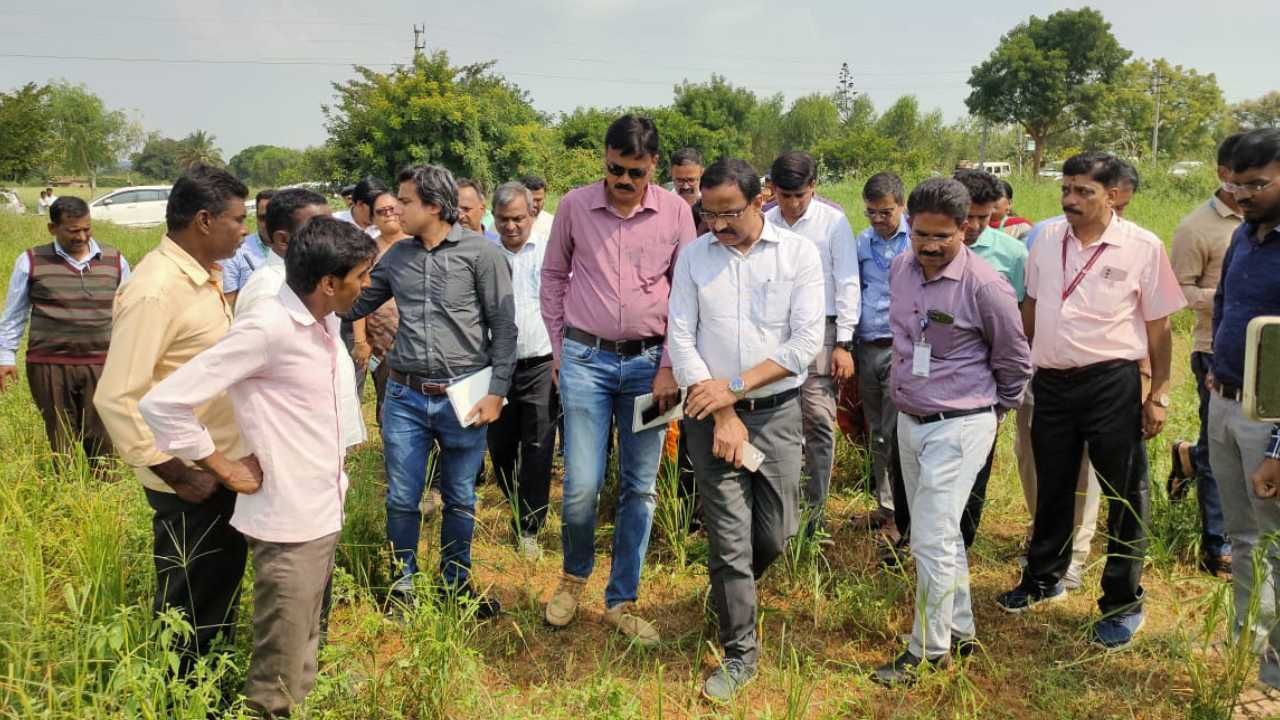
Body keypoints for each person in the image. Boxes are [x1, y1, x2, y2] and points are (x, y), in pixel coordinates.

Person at [140, 216, 375, 717]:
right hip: (288, 524)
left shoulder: (323, 321)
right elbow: (164, 403)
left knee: (303, 656)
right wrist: (220, 465)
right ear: (329, 283)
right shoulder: (267, 328)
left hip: (321, 511)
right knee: (277, 677)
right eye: (362, 275)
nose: (368, 285)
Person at [997, 152, 1185, 651]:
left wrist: (1159, 392)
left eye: (1085, 191)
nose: (1072, 200)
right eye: (1067, 190)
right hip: (1052, 381)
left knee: (1124, 495)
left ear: (1114, 194)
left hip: (1112, 382)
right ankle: (1043, 579)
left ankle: (1122, 603)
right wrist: (1019, 372)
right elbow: (1031, 307)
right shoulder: (1045, 240)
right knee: (1053, 484)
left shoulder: (1142, 246)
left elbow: (1159, 326)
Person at [667, 158, 823, 702]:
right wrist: (724, 411)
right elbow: (681, 338)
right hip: (710, 417)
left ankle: (730, 592)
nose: (718, 225)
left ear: (761, 202)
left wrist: (734, 389)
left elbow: (804, 344)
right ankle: (739, 652)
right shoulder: (694, 258)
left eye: (729, 212)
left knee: (775, 534)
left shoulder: (799, 255)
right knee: (730, 540)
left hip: (776, 414)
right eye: (708, 214)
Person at [540, 114, 697, 644]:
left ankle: (621, 598)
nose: (624, 181)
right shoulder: (573, 207)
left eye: (635, 172)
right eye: (615, 169)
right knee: (581, 484)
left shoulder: (677, 213)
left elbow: (688, 294)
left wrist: (673, 366)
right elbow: (554, 276)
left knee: (641, 487)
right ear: (603, 158)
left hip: (655, 369)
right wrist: (561, 350)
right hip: (586, 361)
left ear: (654, 165)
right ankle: (572, 577)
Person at [872, 177, 1031, 686]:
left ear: (965, 229)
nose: (931, 246)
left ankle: (926, 648)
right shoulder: (901, 268)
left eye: (944, 236)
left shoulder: (985, 285)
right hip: (911, 419)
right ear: (909, 228)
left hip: (960, 424)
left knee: (930, 538)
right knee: (938, 534)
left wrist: (989, 415)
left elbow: (1015, 361)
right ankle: (959, 629)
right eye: (922, 235)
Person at [93, 164, 251, 674]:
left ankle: (211, 686)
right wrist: (177, 473)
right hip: (189, 477)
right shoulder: (155, 289)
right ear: (204, 221)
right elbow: (116, 396)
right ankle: (186, 693)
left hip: (217, 464)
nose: (244, 229)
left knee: (216, 592)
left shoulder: (203, 278)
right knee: (191, 603)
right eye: (237, 219)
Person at [346, 164, 516, 617]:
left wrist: (497, 391)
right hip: (404, 396)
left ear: (435, 207)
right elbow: (358, 302)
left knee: (460, 496)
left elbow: (503, 327)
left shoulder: (482, 255)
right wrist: (318, 284)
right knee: (403, 495)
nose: (396, 209)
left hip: (464, 397)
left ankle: (455, 584)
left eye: (404, 202)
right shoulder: (396, 258)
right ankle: (404, 585)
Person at [1208, 127, 1280, 699]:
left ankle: (1273, 678)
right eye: (1235, 184)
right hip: (1226, 402)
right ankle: (1245, 644)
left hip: (1272, 423)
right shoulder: (1245, 237)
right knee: (1244, 537)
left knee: (1276, 544)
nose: (1242, 194)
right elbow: (1226, 304)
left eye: (1256, 183)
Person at [764, 151, 859, 536]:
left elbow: (848, 280)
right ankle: (780, 513)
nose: (792, 203)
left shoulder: (833, 223)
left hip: (822, 330)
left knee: (818, 420)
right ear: (772, 190)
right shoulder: (766, 222)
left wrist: (845, 342)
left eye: (800, 195)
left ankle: (815, 514)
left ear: (813, 188)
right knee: (778, 420)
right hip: (776, 330)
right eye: (784, 195)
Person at [0, 196, 130, 472]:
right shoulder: (30, 261)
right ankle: (67, 490)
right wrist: (5, 356)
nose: (82, 236)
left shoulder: (116, 260)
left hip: (102, 364)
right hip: (49, 365)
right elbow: (14, 315)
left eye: (86, 229)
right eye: (73, 231)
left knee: (104, 441)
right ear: (52, 228)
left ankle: (104, 501)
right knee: (61, 439)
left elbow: (130, 314)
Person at [1168, 133, 1245, 577]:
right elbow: (1180, 288)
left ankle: (1186, 456)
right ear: (1225, 174)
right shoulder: (1197, 227)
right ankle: (1218, 544)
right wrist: (1230, 297)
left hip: (1268, 351)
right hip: (1215, 349)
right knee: (1221, 449)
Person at [484, 182, 558, 561]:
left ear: (532, 214)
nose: (511, 226)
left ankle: (529, 525)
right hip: (496, 368)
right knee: (500, 444)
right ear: (492, 218)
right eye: (503, 219)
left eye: (518, 218)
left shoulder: (549, 250)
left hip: (541, 362)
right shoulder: (484, 253)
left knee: (539, 445)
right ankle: (515, 502)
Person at [854, 173, 911, 538]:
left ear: (901, 207)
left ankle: (899, 513)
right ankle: (885, 505)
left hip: (899, 347)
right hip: (866, 345)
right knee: (876, 431)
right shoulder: (861, 242)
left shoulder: (915, 241)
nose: (878, 219)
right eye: (871, 212)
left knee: (895, 431)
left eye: (885, 212)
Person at [234, 189, 332, 315]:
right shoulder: (267, 291)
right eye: (319, 230)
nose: (333, 236)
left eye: (332, 227)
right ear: (283, 240)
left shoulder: (314, 273)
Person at [365, 189, 413, 419]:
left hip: (415, 338)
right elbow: (357, 298)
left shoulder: (417, 243)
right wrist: (359, 340)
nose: (388, 214)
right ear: (373, 218)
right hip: (381, 343)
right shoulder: (367, 249)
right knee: (388, 402)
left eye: (392, 208)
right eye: (381, 211)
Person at [222, 189, 275, 305]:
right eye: (263, 218)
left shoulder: (298, 249)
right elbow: (228, 304)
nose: (268, 223)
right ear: (256, 218)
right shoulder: (236, 251)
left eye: (274, 217)